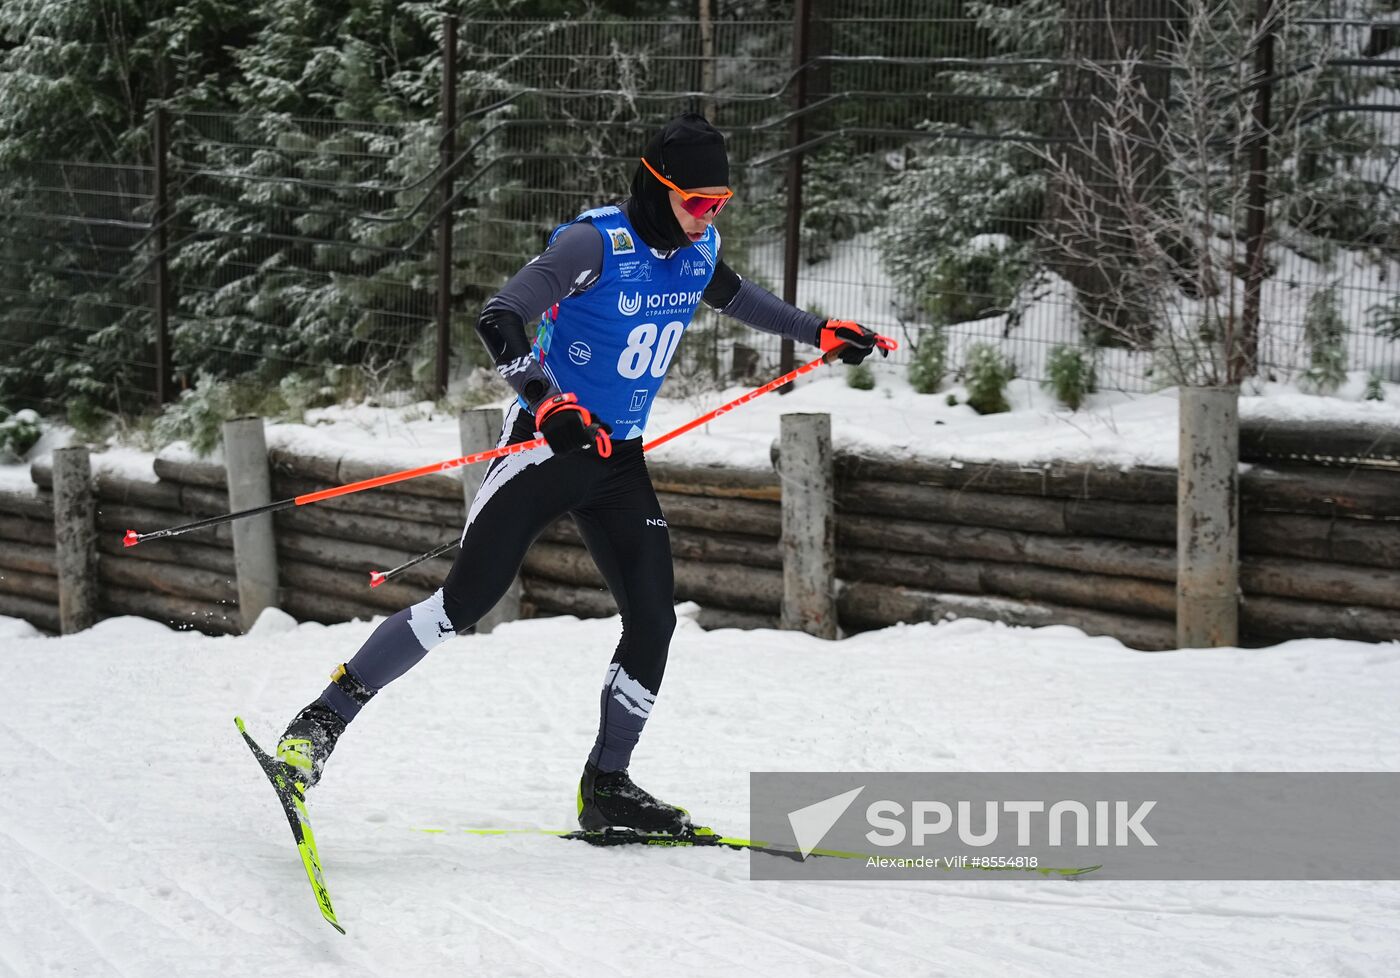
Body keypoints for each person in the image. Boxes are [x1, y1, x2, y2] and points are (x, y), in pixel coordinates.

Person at [272, 112, 888, 836]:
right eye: (697, 201)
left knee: (654, 620)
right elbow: (500, 318)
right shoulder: (593, 243)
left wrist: (817, 331)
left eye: (720, 203)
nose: (709, 215)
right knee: (462, 604)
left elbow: (736, 297)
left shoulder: (697, 249)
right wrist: (548, 401)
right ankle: (314, 729)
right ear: (658, 189)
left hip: (617, 463)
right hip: (547, 449)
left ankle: (607, 788)